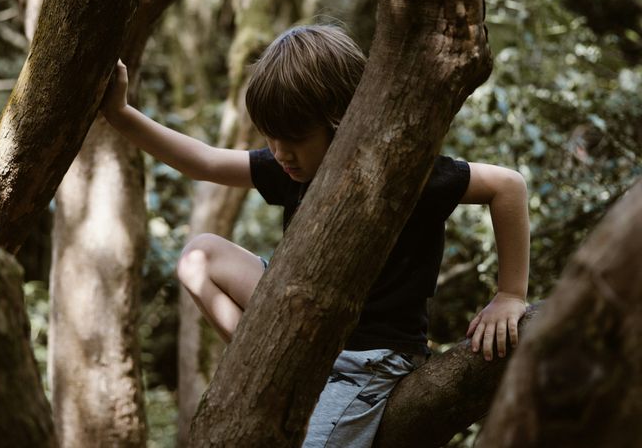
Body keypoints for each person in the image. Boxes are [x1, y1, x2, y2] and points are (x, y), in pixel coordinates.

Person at [101, 24, 529, 447]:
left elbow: (507, 185)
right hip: (300, 325)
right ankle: (263, 361)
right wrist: (120, 113)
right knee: (200, 256)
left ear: (341, 120)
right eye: (271, 137)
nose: (281, 152)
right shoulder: (292, 165)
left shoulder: (405, 172)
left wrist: (510, 295)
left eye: (295, 139)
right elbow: (204, 162)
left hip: (367, 362)